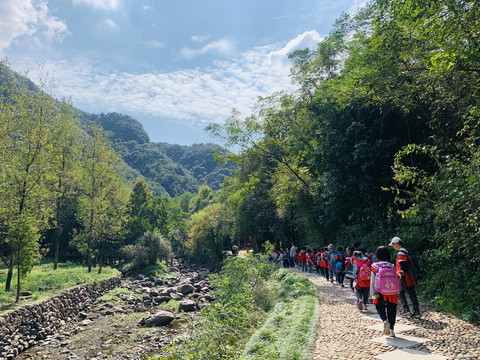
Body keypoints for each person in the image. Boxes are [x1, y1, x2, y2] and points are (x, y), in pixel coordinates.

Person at [371, 246, 399, 338]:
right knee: (392, 309)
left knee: (380, 306)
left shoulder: (374, 266)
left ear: (377, 255)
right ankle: (392, 330)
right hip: (391, 290)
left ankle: (384, 320)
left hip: (379, 291)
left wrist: (372, 294)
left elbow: (372, 281)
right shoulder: (391, 266)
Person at [389, 236, 421, 318]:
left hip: (404, 277)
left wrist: (400, 273)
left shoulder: (401, 253)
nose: (393, 247)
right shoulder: (406, 251)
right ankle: (416, 310)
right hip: (409, 276)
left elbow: (403, 265)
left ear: (396, 243)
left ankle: (406, 308)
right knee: (411, 293)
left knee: (400, 292)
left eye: (393, 245)